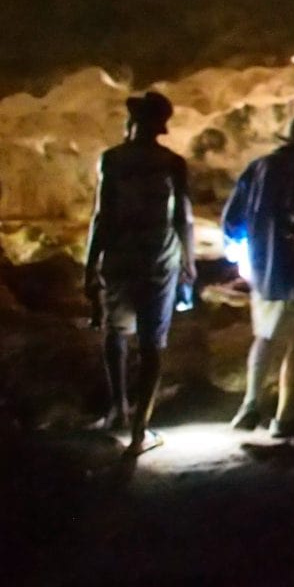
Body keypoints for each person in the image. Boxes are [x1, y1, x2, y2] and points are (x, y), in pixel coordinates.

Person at [84, 91, 195, 457]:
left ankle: (119, 409)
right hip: (159, 259)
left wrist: (90, 264)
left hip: (120, 256)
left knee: (115, 333)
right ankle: (138, 431)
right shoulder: (171, 163)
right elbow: (183, 218)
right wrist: (189, 263)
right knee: (152, 343)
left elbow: (102, 215)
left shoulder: (112, 160)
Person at [223, 116, 294, 437]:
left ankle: (250, 403)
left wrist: (244, 252)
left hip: (266, 270)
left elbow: (233, 221)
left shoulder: (259, 168)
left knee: (265, 336)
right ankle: (283, 418)